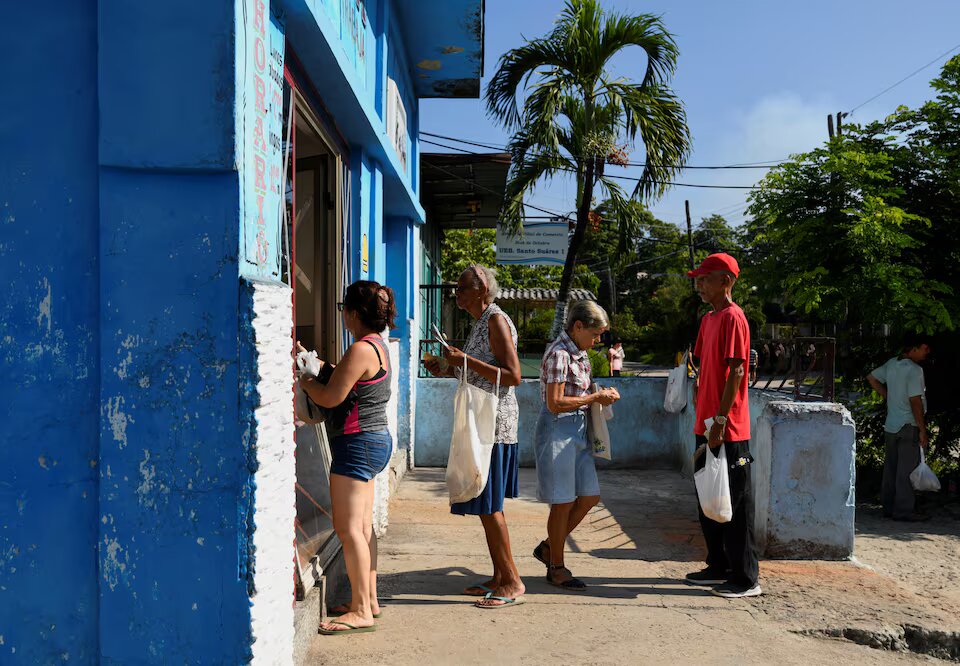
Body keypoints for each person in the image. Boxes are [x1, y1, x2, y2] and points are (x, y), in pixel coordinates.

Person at [424, 265, 526, 609]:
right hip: (484, 420)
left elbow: (513, 376)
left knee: (490, 505)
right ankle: (500, 575)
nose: (457, 294)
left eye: (462, 287)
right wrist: (450, 367)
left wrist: (464, 359)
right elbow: (481, 374)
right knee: (486, 505)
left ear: (482, 289)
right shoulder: (482, 323)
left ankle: (512, 581)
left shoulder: (496, 320)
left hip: (494, 425)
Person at [299, 280, 396, 635]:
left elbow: (330, 398)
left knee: (348, 528)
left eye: (344, 309)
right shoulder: (377, 346)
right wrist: (318, 364)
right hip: (374, 442)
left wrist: (305, 381)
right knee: (363, 527)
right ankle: (368, 600)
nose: (342, 314)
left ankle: (359, 610)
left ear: (353, 313)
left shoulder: (359, 350)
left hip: (356, 445)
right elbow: (345, 378)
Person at [685, 253, 761, 599]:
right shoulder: (709, 319)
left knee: (737, 501)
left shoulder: (734, 318)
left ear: (725, 281)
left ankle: (746, 579)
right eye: (698, 279)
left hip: (727, 427)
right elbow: (702, 367)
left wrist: (720, 418)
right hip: (706, 423)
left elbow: (738, 371)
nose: (699, 285)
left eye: (705, 279)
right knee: (708, 493)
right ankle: (717, 565)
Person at [532, 301, 620, 590]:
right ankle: (556, 565)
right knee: (563, 502)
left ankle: (549, 547)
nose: (597, 341)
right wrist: (594, 399)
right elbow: (554, 403)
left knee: (589, 496)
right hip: (559, 429)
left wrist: (598, 395)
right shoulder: (559, 354)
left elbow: (578, 392)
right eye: (595, 334)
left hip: (577, 429)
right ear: (578, 326)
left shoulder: (578, 353)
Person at [867, 337, 932, 522]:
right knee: (906, 471)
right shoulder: (915, 370)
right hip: (908, 425)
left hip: (891, 425)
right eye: (925, 347)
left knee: (891, 468)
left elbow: (871, 378)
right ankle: (903, 511)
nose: (927, 351)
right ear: (913, 348)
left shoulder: (891, 364)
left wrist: (887, 395)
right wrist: (922, 430)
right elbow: (915, 401)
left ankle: (888, 507)